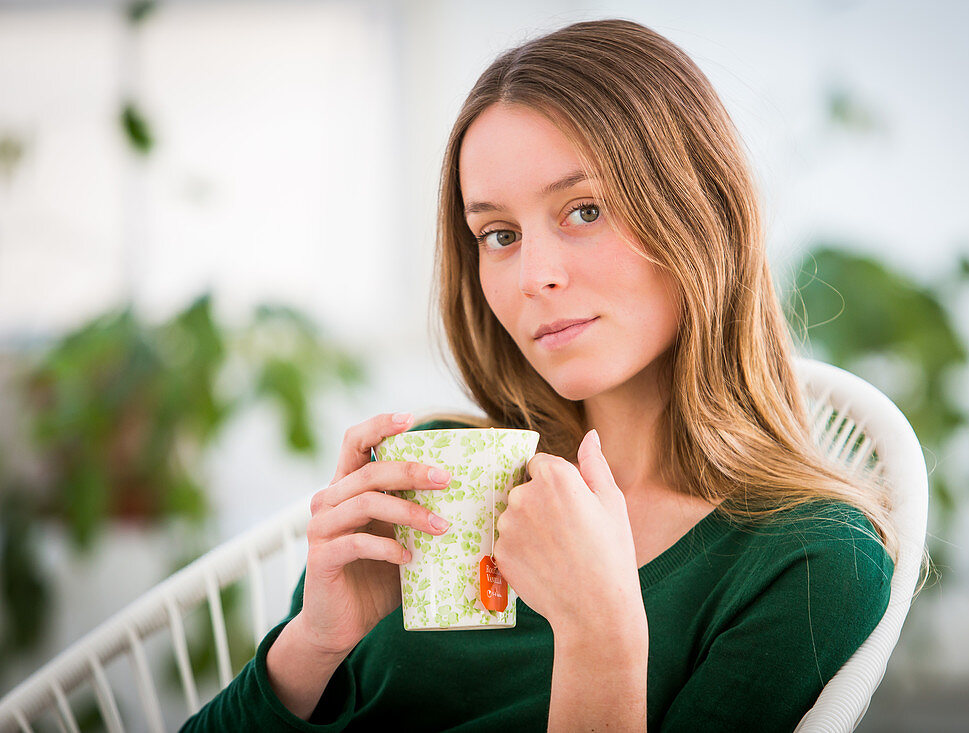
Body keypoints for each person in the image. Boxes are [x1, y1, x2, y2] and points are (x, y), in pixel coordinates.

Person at [182, 18, 895, 732]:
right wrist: (313, 643)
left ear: (701, 213)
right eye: (499, 234)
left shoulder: (811, 564)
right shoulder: (433, 480)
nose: (534, 277)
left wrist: (600, 634)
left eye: (585, 210)